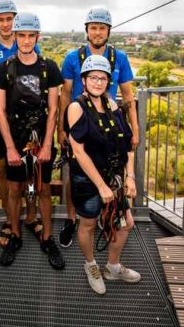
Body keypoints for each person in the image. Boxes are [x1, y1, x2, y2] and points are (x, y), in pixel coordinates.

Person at [58, 7, 139, 248]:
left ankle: (106, 218)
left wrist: (134, 129)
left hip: (109, 125)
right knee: (77, 174)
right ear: (87, 31)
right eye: (93, 27)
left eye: (102, 28)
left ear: (108, 31)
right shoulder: (73, 58)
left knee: (109, 172)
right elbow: (64, 95)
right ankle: (72, 219)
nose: (97, 32)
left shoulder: (119, 58)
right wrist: (62, 130)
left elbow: (127, 96)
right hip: (80, 121)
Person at [0, 12, 65, 269]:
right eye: (21, 35)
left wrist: (47, 145)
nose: (25, 40)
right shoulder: (5, 68)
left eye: (30, 35)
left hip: (40, 136)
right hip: (15, 137)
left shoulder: (49, 67)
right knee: (14, 190)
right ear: (15, 36)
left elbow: (54, 110)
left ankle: (47, 238)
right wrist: (10, 148)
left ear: (37, 36)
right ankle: (15, 235)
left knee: (44, 189)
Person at [65, 54, 141, 294]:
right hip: (88, 179)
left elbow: (127, 144)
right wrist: (100, 186)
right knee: (88, 223)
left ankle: (113, 266)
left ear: (108, 82)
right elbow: (79, 151)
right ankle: (91, 265)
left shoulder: (113, 105)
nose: (98, 82)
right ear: (84, 80)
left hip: (113, 177)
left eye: (103, 78)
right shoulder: (76, 108)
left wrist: (129, 177)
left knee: (126, 223)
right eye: (93, 77)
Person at [0, 0, 42, 247]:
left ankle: (31, 215)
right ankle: (9, 217)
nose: (6, 24)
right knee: (4, 170)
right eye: (1, 19)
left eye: (9, 19)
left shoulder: (30, 48)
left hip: (26, 120)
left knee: (31, 169)